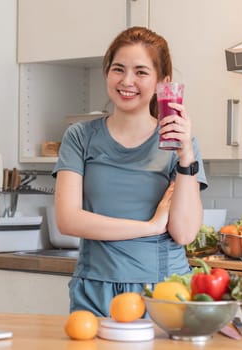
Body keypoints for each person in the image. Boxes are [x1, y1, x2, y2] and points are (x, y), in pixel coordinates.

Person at [52, 26, 208, 317]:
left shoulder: (181, 143)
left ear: (163, 82)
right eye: (118, 69)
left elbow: (184, 232)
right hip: (95, 289)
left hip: (164, 291)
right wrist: (149, 227)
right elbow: (68, 220)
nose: (127, 81)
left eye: (141, 72)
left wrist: (186, 157)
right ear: (107, 73)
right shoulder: (80, 137)